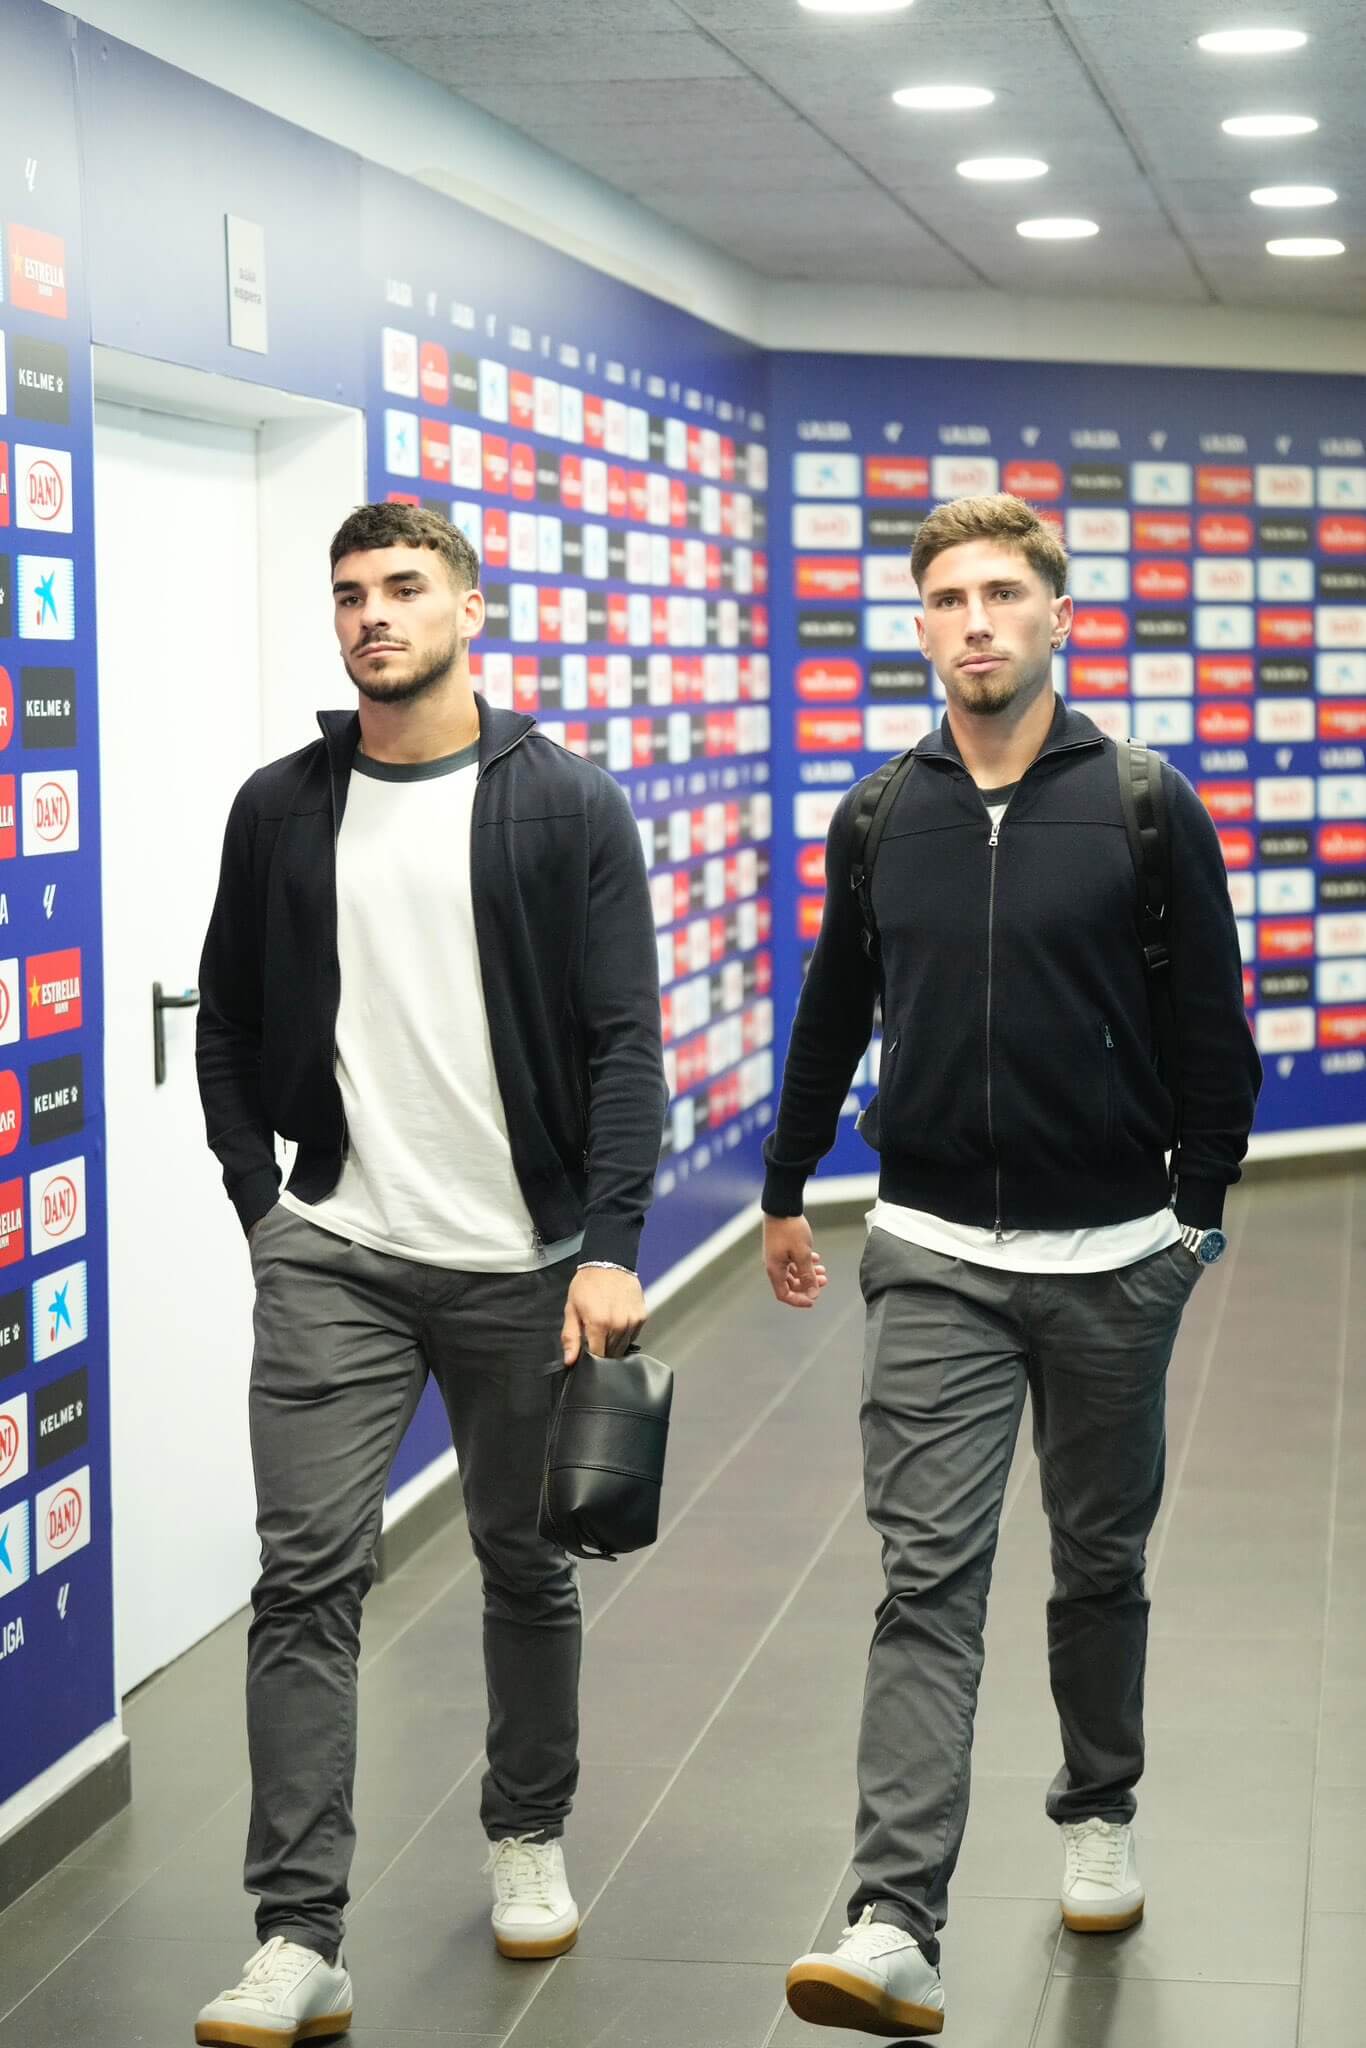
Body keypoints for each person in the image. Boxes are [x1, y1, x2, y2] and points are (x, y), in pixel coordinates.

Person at [763, 493, 1261, 2038]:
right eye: (944, 600)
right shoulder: (875, 815)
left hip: (1116, 1257)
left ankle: (1094, 1803)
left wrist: (1190, 1217)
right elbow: (833, 1013)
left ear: (1057, 615)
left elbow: (1208, 1035)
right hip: (928, 1255)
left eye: (1000, 595)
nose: (972, 622)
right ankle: (890, 1917)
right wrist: (786, 1185)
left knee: (1098, 1559)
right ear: (917, 627)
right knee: (927, 1579)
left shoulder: (1135, 799)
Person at [192, 502, 667, 2048]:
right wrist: (262, 1202)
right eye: (349, 595)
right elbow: (229, 1023)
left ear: (472, 603)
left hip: (522, 1264)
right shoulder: (281, 806)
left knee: (524, 1562)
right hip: (337, 1246)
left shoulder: (565, 804)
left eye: (403, 588)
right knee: (306, 1577)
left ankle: (525, 1830)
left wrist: (608, 1247)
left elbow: (620, 1049)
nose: (372, 615)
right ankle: (295, 1933)